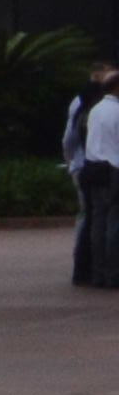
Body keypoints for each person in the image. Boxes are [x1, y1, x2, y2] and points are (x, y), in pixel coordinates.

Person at [67, 61, 119, 293]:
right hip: (113, 168)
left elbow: (73, 137)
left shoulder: (94, 110)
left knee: (96, 222)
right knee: (113, 223)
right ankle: (112, 272)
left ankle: (95, 272)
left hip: (92, 167)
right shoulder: (117, 111)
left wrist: (72, 163)